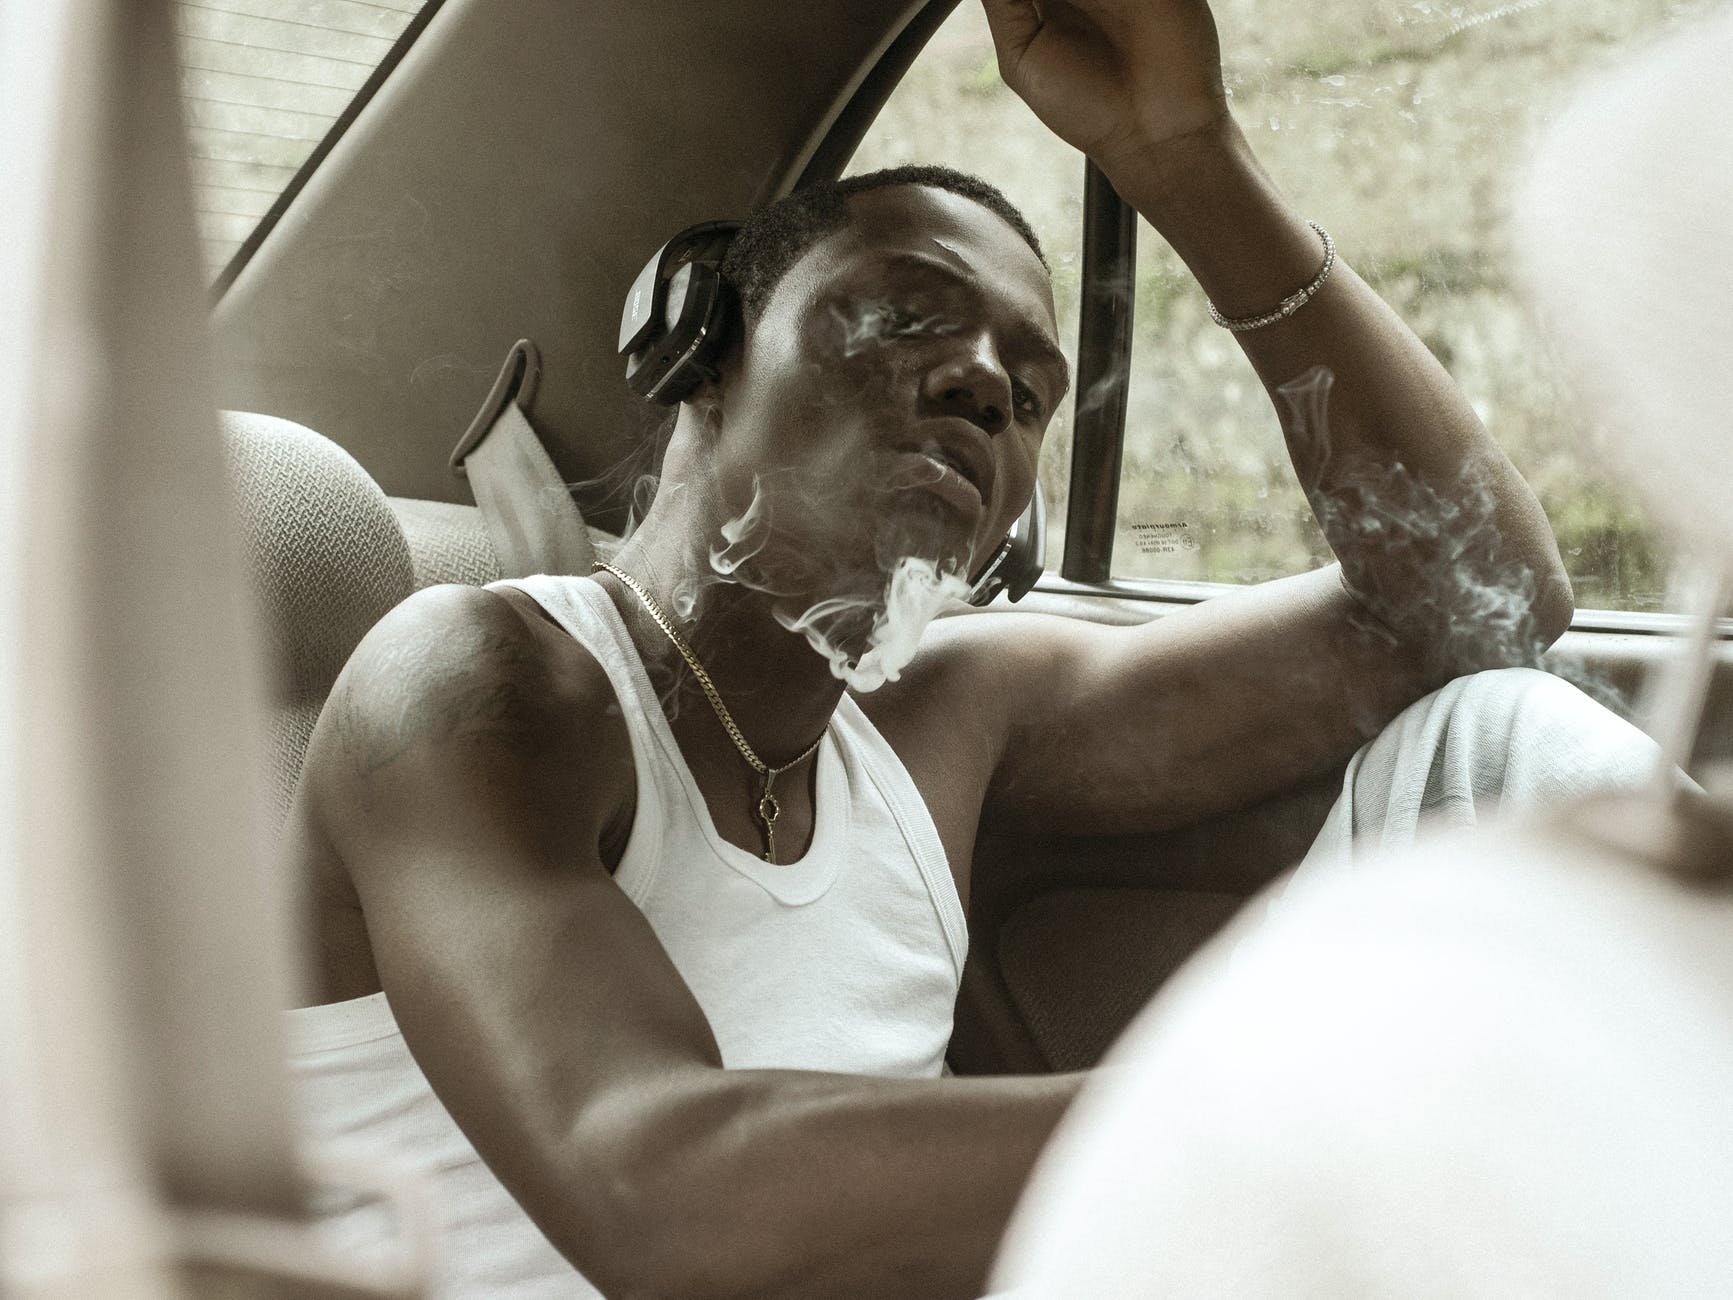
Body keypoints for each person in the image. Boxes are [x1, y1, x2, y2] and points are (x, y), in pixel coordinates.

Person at [280, 0, 1657, 1295]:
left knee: (1496, 737)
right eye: (904, 313)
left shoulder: (941, 726)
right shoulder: (478, 685)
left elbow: (1475, 601)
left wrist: (1186, 160)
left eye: (1032, 390)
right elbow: (654, 1193)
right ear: (700, 354)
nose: (988, 382)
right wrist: (1337, 1096)